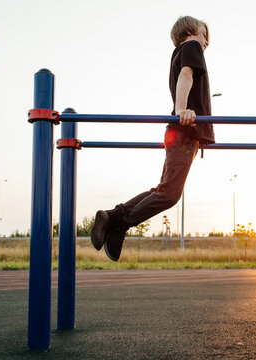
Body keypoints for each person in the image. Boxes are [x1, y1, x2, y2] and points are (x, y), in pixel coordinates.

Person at [90, 16, 214, 261]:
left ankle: (115, 216)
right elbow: (185, 77)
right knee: (170, 194)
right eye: (203, 34)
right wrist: (181, 110)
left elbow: (184, 77)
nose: (206, 41)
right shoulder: (192, 47)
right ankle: (120, 223)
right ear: (190, 31)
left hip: (179, 132)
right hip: (184, 130)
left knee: (162, 190)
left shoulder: (179, 52)